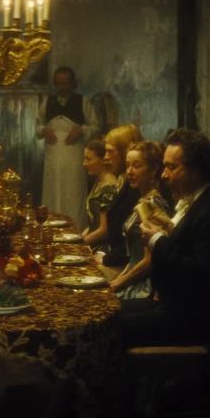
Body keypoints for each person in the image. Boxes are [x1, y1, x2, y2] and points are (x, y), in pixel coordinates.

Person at [125, 129, 210, 418]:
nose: (164, 175)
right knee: (108, 310)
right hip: (174, 305)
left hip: (194, 319)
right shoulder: (196, 202)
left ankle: (121, 410)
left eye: (171, 167)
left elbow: (201, 273)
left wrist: (158, 241)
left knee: (109, 328)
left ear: (197, 170)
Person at [36, 67, 100, 229]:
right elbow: (37, 127)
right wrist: (44, 130)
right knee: (53, 193)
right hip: (53, 159)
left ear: (72, 83)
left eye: (65, 83)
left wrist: (81, 130)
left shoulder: (83, 101)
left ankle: (76, 229)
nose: (62, 87)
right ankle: (51, 229)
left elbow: (95, 126)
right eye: (59, 83)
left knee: (73, 194)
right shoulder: (47, 102)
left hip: (74, 159)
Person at [110, 141, 172, 299]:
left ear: (153, 169)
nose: (129, 171)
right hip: (131, 279)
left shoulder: (153, 204)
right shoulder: (143, 200)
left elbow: (150, 260)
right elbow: (133, 259)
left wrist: (119, 283)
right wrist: (117, 280)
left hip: (145, 287)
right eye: (127, 165)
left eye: (136, 166)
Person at [100, 124, 143, 268]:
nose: (106, 157)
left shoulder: (136, 188)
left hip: (122, 264)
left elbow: (132, 243)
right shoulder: (123, 182)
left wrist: (106, 258)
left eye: (110, 151)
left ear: (124, 152)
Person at [81, 140, 119, 254]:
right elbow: (93, 225)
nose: (84, 163)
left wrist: (80, 244)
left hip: (103, 249)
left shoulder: (109, 187)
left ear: (103, 160)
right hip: (93, 243)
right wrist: (78, 238)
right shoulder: (99, 181)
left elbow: (104, 230)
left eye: (89, 159)